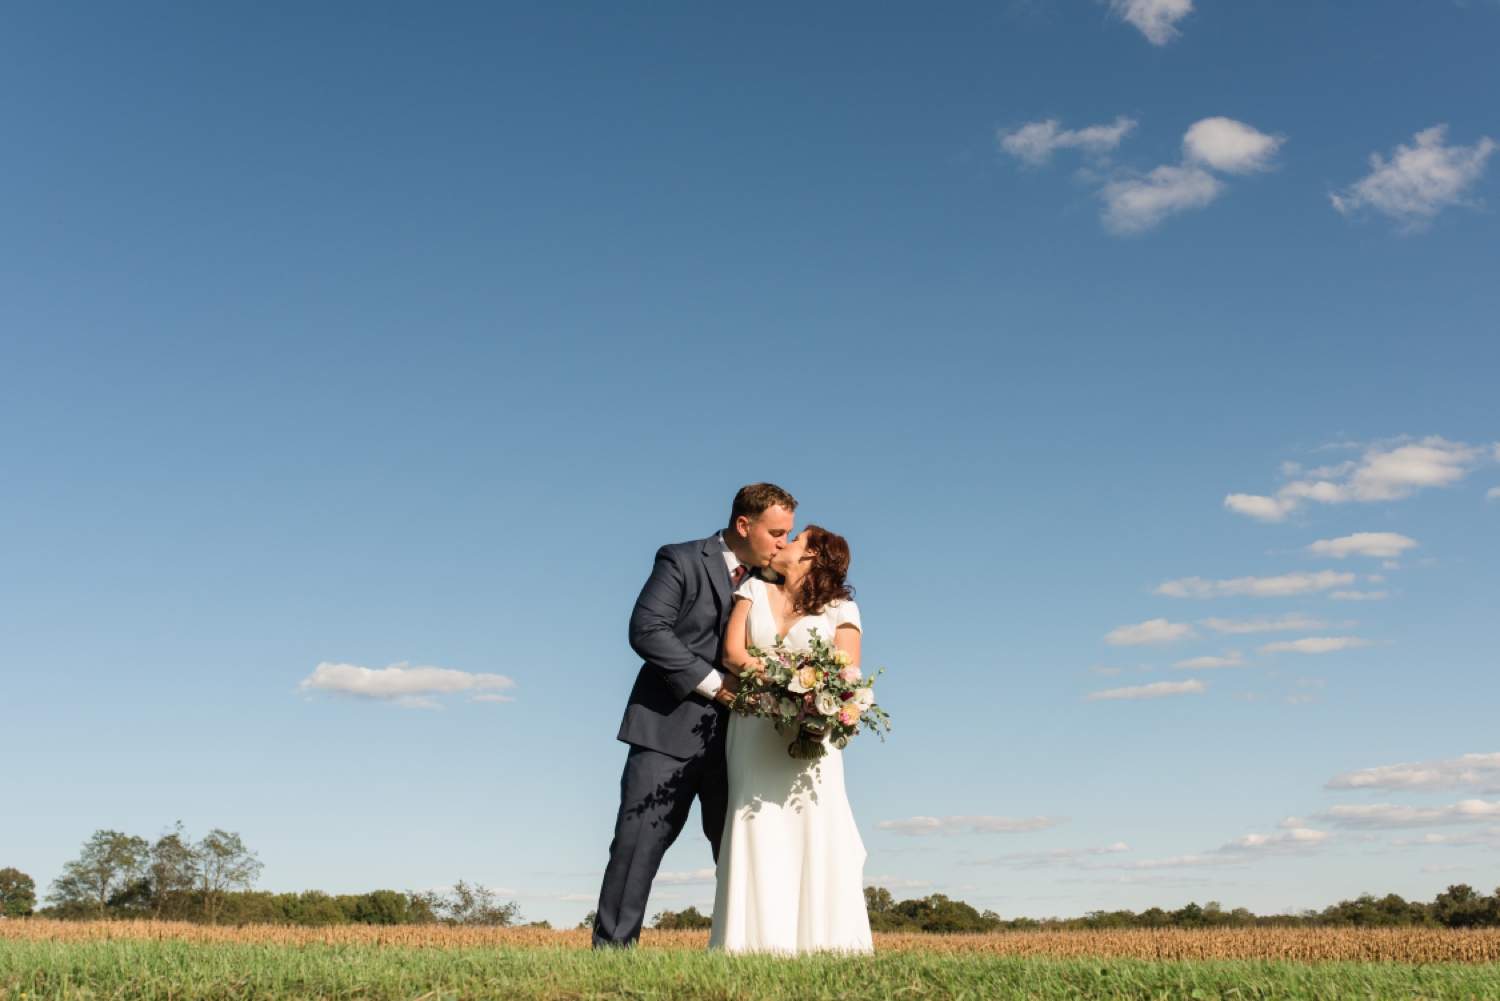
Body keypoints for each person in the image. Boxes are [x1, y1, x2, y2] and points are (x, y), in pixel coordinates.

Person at [592, 483, 797, 948]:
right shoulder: (680, 559)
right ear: (744, 525)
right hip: (667, 731)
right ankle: (610, 956)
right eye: (776, 532)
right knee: (636, 848)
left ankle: (748, 953)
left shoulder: (777, 582)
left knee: (742, 857)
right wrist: (716, 686)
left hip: (744, 744)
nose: (784, 543)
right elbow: (647, 630)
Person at [709, 525, 872, 953]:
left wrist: (812, 703)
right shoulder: (751, 591)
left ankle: (823, 946)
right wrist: (788, 683)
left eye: (795, 539)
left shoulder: (842, 609)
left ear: (813, 557)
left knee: (813, 830)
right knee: (755, 827)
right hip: (752, 728)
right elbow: (732, 655)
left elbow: (845, 677)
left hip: (812, 738)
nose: (783, 543)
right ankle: (749, 947)